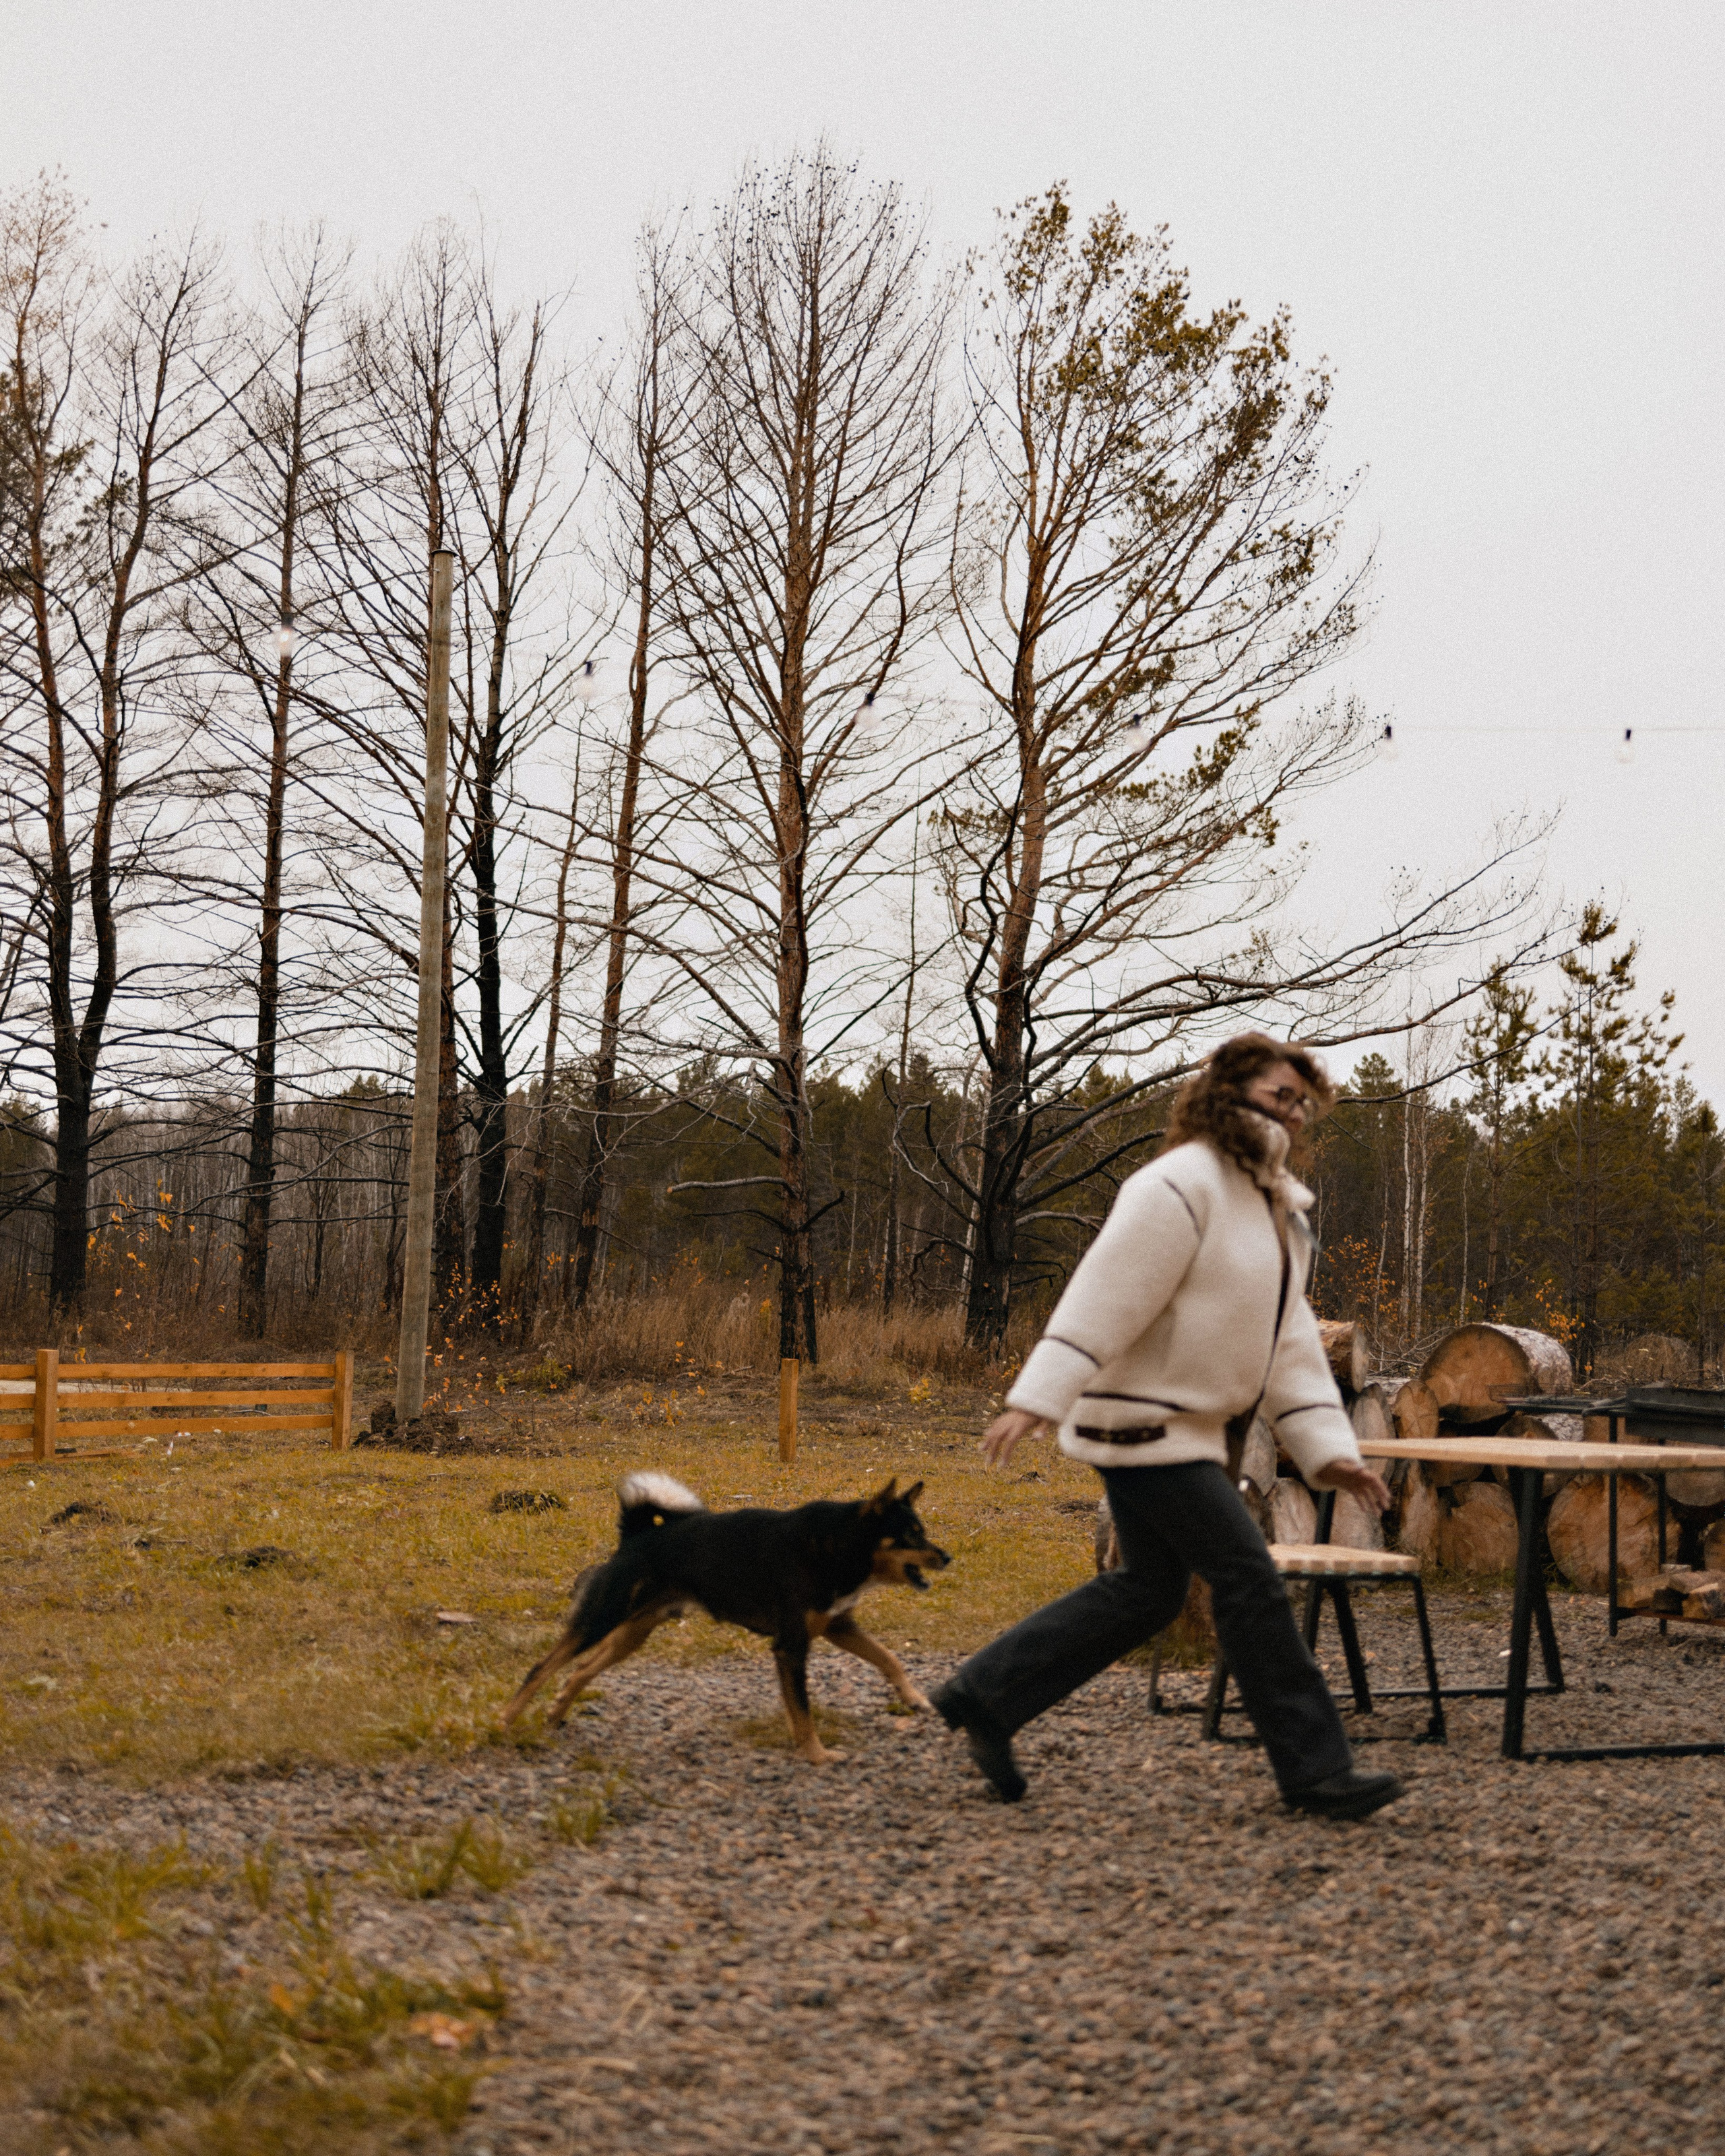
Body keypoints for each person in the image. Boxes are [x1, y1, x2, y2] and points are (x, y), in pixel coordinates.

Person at [933, 1033, 1402, 1821]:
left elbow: (1288, 1339)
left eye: (1299, 1100)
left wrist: (1331, 1452)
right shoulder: (1177, 1185)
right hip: (1141, 1426)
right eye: (1275, 1094)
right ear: (1225, 1091)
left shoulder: (1275, 1209)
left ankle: (985, 1694)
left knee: (1147, 1591)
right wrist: (1037, 1396)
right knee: (1247, 1576)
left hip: (1193, 1431)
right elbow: (1101, 1295)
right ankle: (1314, 1770)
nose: (1288, 1110)